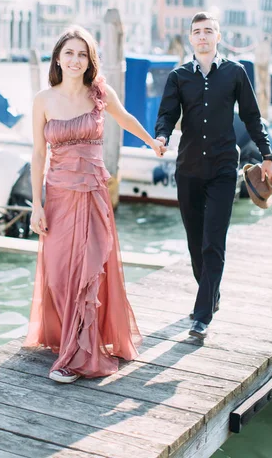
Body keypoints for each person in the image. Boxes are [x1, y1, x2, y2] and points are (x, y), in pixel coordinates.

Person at [23, 25, 164, 383]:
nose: (75, 60)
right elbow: (38, 154)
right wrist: (36, 205)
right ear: (58, 57)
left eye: (82, 54)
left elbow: (126, 118)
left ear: (90, 61)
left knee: (88, 272)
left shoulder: (99, 93)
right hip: (56, 195)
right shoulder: (44, 99)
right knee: (57, 273)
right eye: (69, 53)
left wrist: (151, 141)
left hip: (92, 194)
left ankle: (76, 355)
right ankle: (66, 337)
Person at [155, 12, 272, 339]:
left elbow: (253, 117)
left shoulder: (235, 73)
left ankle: (202, 314)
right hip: (189, 171)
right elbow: (167, 114)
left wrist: (267, 156)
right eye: (197, 32)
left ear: (218, 37)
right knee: (196, 244)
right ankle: (211, 295)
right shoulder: (179, 76)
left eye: (209, 31)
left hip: (224, 170)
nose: (203, 36)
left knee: (213, 243)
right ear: (191, 38)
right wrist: (162, 136)